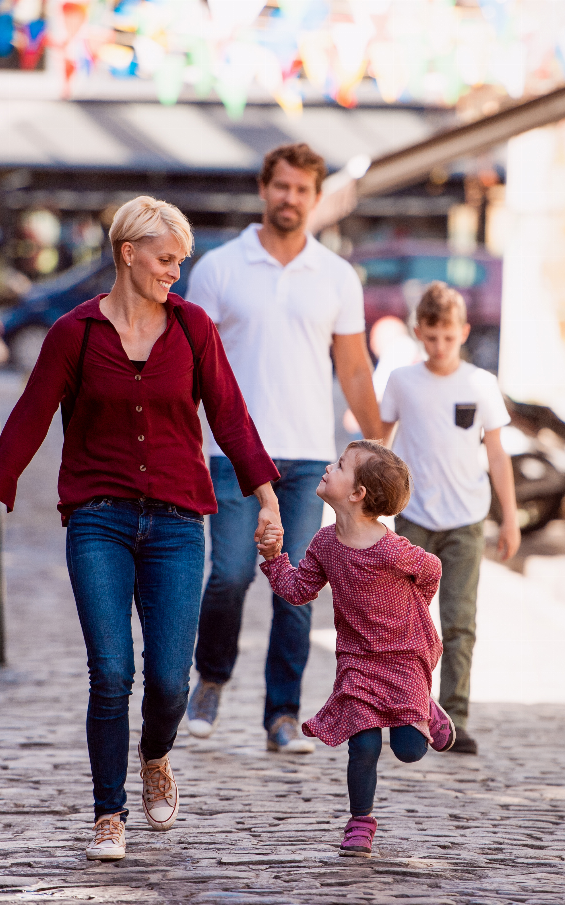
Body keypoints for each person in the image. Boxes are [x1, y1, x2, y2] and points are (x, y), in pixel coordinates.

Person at [0, 197, 282, 862]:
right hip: (97, 519)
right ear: (127, 253)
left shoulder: (193, 329)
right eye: (165, 259)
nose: (174, 273)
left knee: (169, 681)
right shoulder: (74, 333)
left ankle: (156, 753)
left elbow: (232, 417)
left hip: (180, 523)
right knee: (111, 671)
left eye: (180, 262)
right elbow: (28, 422)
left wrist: (266, 499)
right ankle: (108, 813)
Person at [186, 143, 382, 754]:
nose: (290, 198)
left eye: (302, 190)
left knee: (296, 587)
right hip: (233, 456)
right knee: (231, 575)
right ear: (263, 189)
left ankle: (282, 715)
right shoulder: (218, 268)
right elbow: (189, 366)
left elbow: (353, 368)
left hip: (307, 462)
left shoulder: (337, 276)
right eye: (282, 187)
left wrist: (376, 453)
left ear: (316, 198)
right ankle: (211, 680)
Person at [257, 441, 454, 858]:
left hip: (403, 655)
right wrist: (274, 558)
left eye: (340, 465)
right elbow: (299, 590)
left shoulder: (393, 550)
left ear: (357, 493)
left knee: (409, 749)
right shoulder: (325, 544)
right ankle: (360, 822)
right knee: (362, 745)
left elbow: (431, 570)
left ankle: (424, 707)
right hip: (357, 661)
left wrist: (414, 612)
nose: (328, 467)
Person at [380, 281, 520, 755]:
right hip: (414, 517)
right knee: (407, 622)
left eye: (448, 336)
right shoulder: (402, 381)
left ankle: (454, 717)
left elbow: (497, 456)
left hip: (466, 518)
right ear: (419, 332)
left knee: (460, 621)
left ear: (463, 332)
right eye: (431, 336)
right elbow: (381, 445)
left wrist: (512, 518)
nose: (440, 346)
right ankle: (411, 711)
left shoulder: (481, 384)